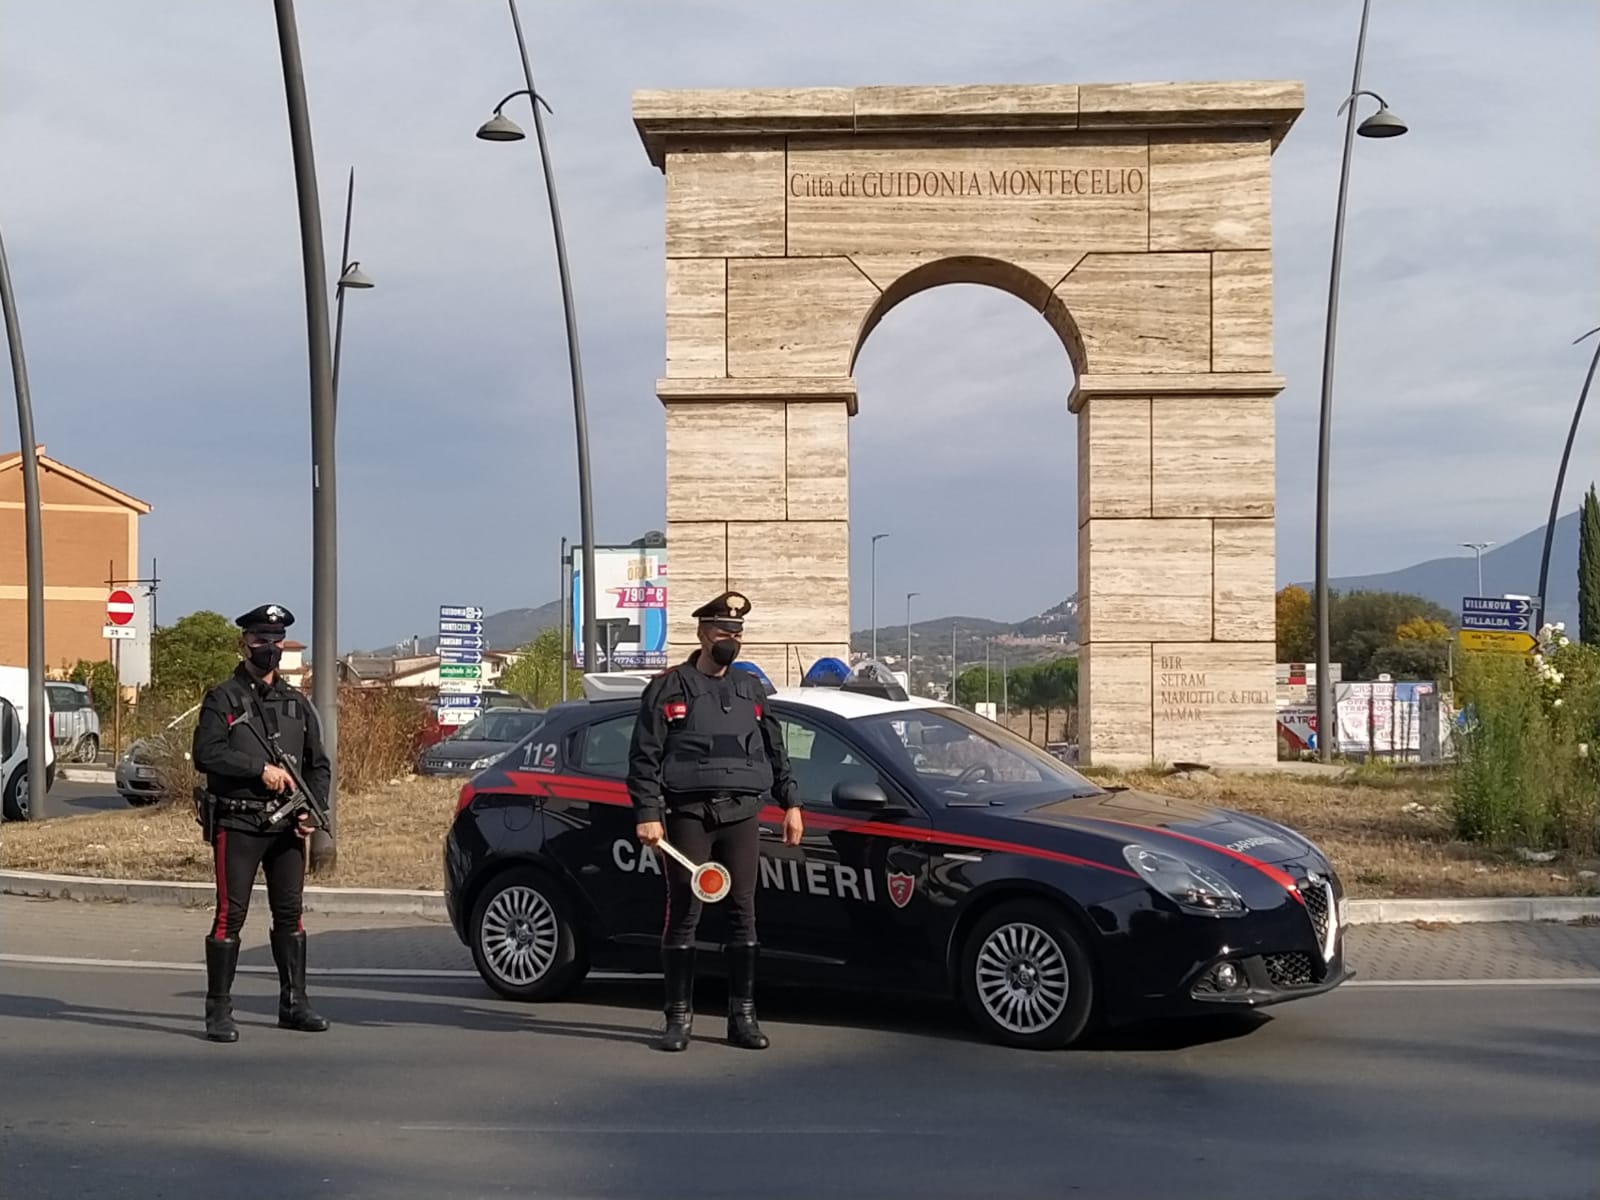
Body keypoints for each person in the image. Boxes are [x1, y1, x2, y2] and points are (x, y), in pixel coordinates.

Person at [626, 590, 803, 1052]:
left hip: (743, 814)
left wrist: (792, 803)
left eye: (738, 633)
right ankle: (677, 1019)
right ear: (703, 634)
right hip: (689, 815)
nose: (732, 639)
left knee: (744, 914)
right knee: (685, 911)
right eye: (725, 632)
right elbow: (644, 757)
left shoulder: (751, 689)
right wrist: (648, 813)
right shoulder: (668, 687)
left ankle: (742, 1017)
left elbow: (775, 750)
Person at [191, 604, 332, 1043]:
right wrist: (259, 770)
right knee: (230, 916)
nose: (268, 648)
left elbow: (318, 766)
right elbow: (206, 754)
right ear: (244, 643)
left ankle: (294, 1003)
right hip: (239, 823)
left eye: (275, 641)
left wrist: (311, 808)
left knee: (290, 914)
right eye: (259, 639)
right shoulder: (224, 698)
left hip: (287, 830)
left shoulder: (296, 703)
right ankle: (219, 1010)